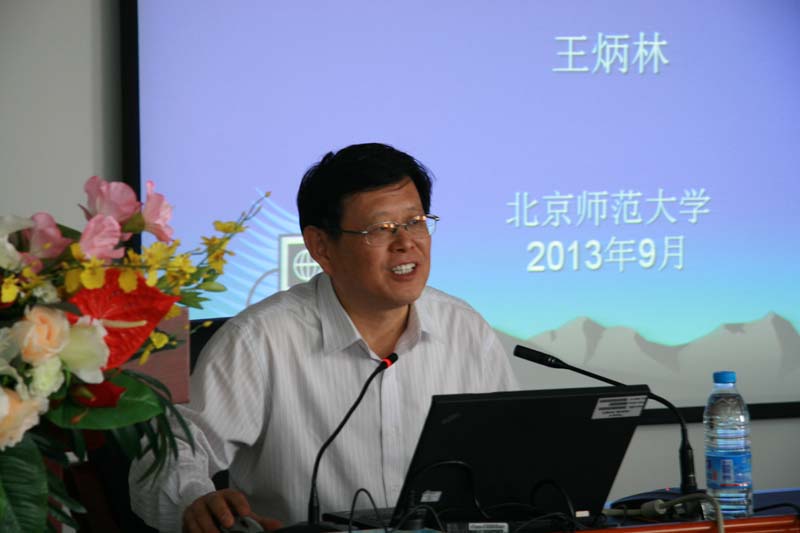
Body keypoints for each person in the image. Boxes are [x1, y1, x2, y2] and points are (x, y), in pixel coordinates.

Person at [129, 143, 518, 533]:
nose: (406, 243)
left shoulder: (464, 329)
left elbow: (512, 454)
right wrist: (195, 500)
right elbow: (165, 458)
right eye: (380, 229)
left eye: (415, 222)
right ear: (321, 247)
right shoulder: (259, 340)